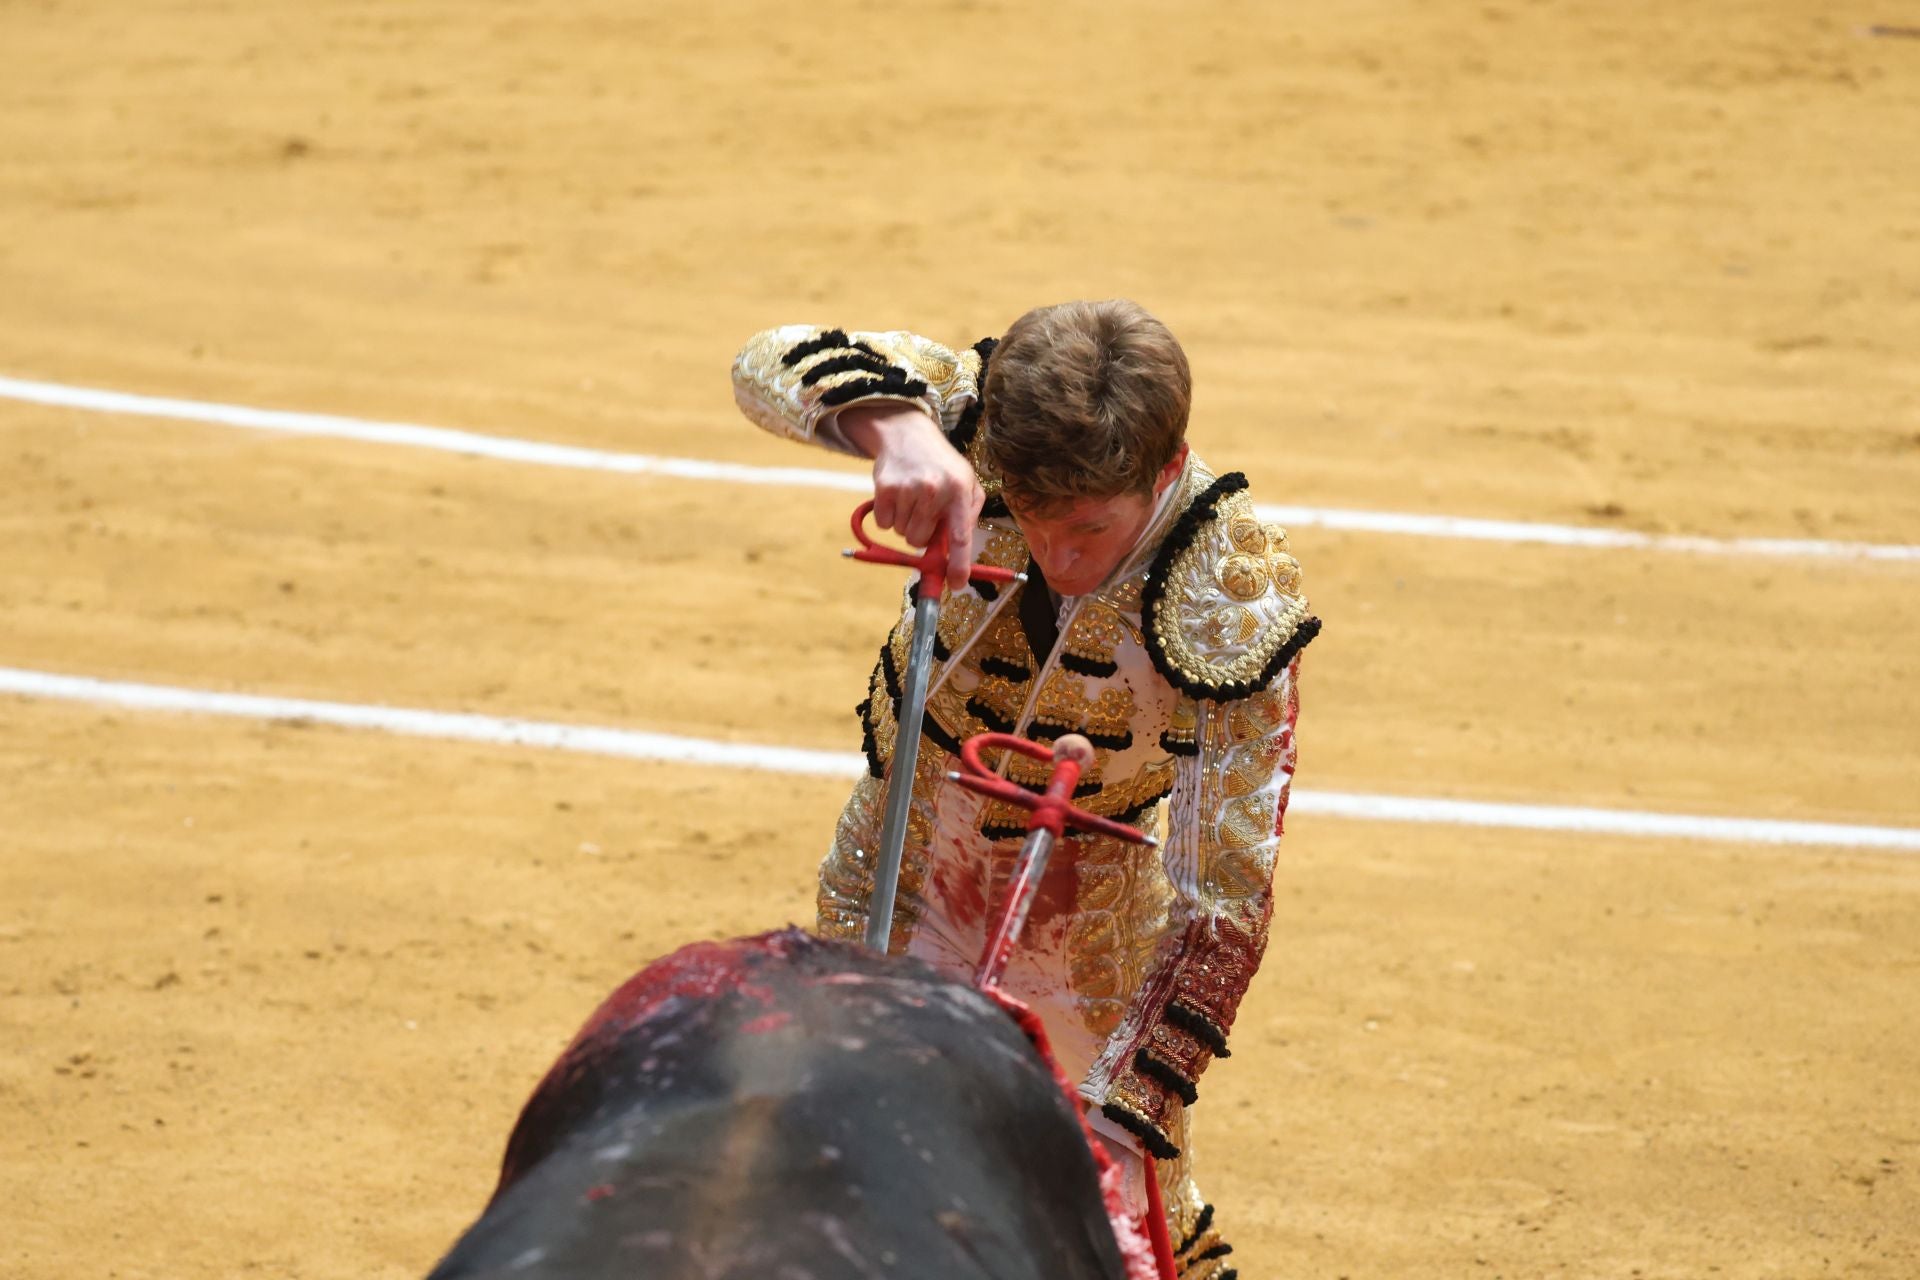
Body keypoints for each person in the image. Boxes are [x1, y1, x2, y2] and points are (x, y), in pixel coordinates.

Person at [731, 300, 1320, 1280]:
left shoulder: (1233, 594)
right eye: (1037, 519)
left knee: (1128, 1209)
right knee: (846, 1146)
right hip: (908, 849)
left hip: (1083, 905)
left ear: (1166, 471)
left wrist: (1135, 1108)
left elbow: (1224, 898)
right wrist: (901, 428)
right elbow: (767, 359)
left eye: (1091, 524)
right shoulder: (973, 417)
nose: (1061, 556)